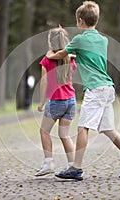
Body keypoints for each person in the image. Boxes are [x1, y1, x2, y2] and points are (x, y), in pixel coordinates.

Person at [47, 1, 120, 180]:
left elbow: (61, 54)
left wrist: (50, 56)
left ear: (80, 20)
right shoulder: (103, 40)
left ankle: (76, 168)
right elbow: (89, 55)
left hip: (95, 89)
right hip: (108, 88)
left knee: (83, 127)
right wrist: (74, 54)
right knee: (108, 129)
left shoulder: (79, 39)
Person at [35, 27, 76, 176]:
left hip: (56, 101)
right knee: (64, 134)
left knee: (44, 131)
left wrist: (41, 102)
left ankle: (49, 163)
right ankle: (73, 165)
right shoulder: (70, 59)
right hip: (71, 101)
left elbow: (44, 83)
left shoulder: (47, 60)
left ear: (50, 42)